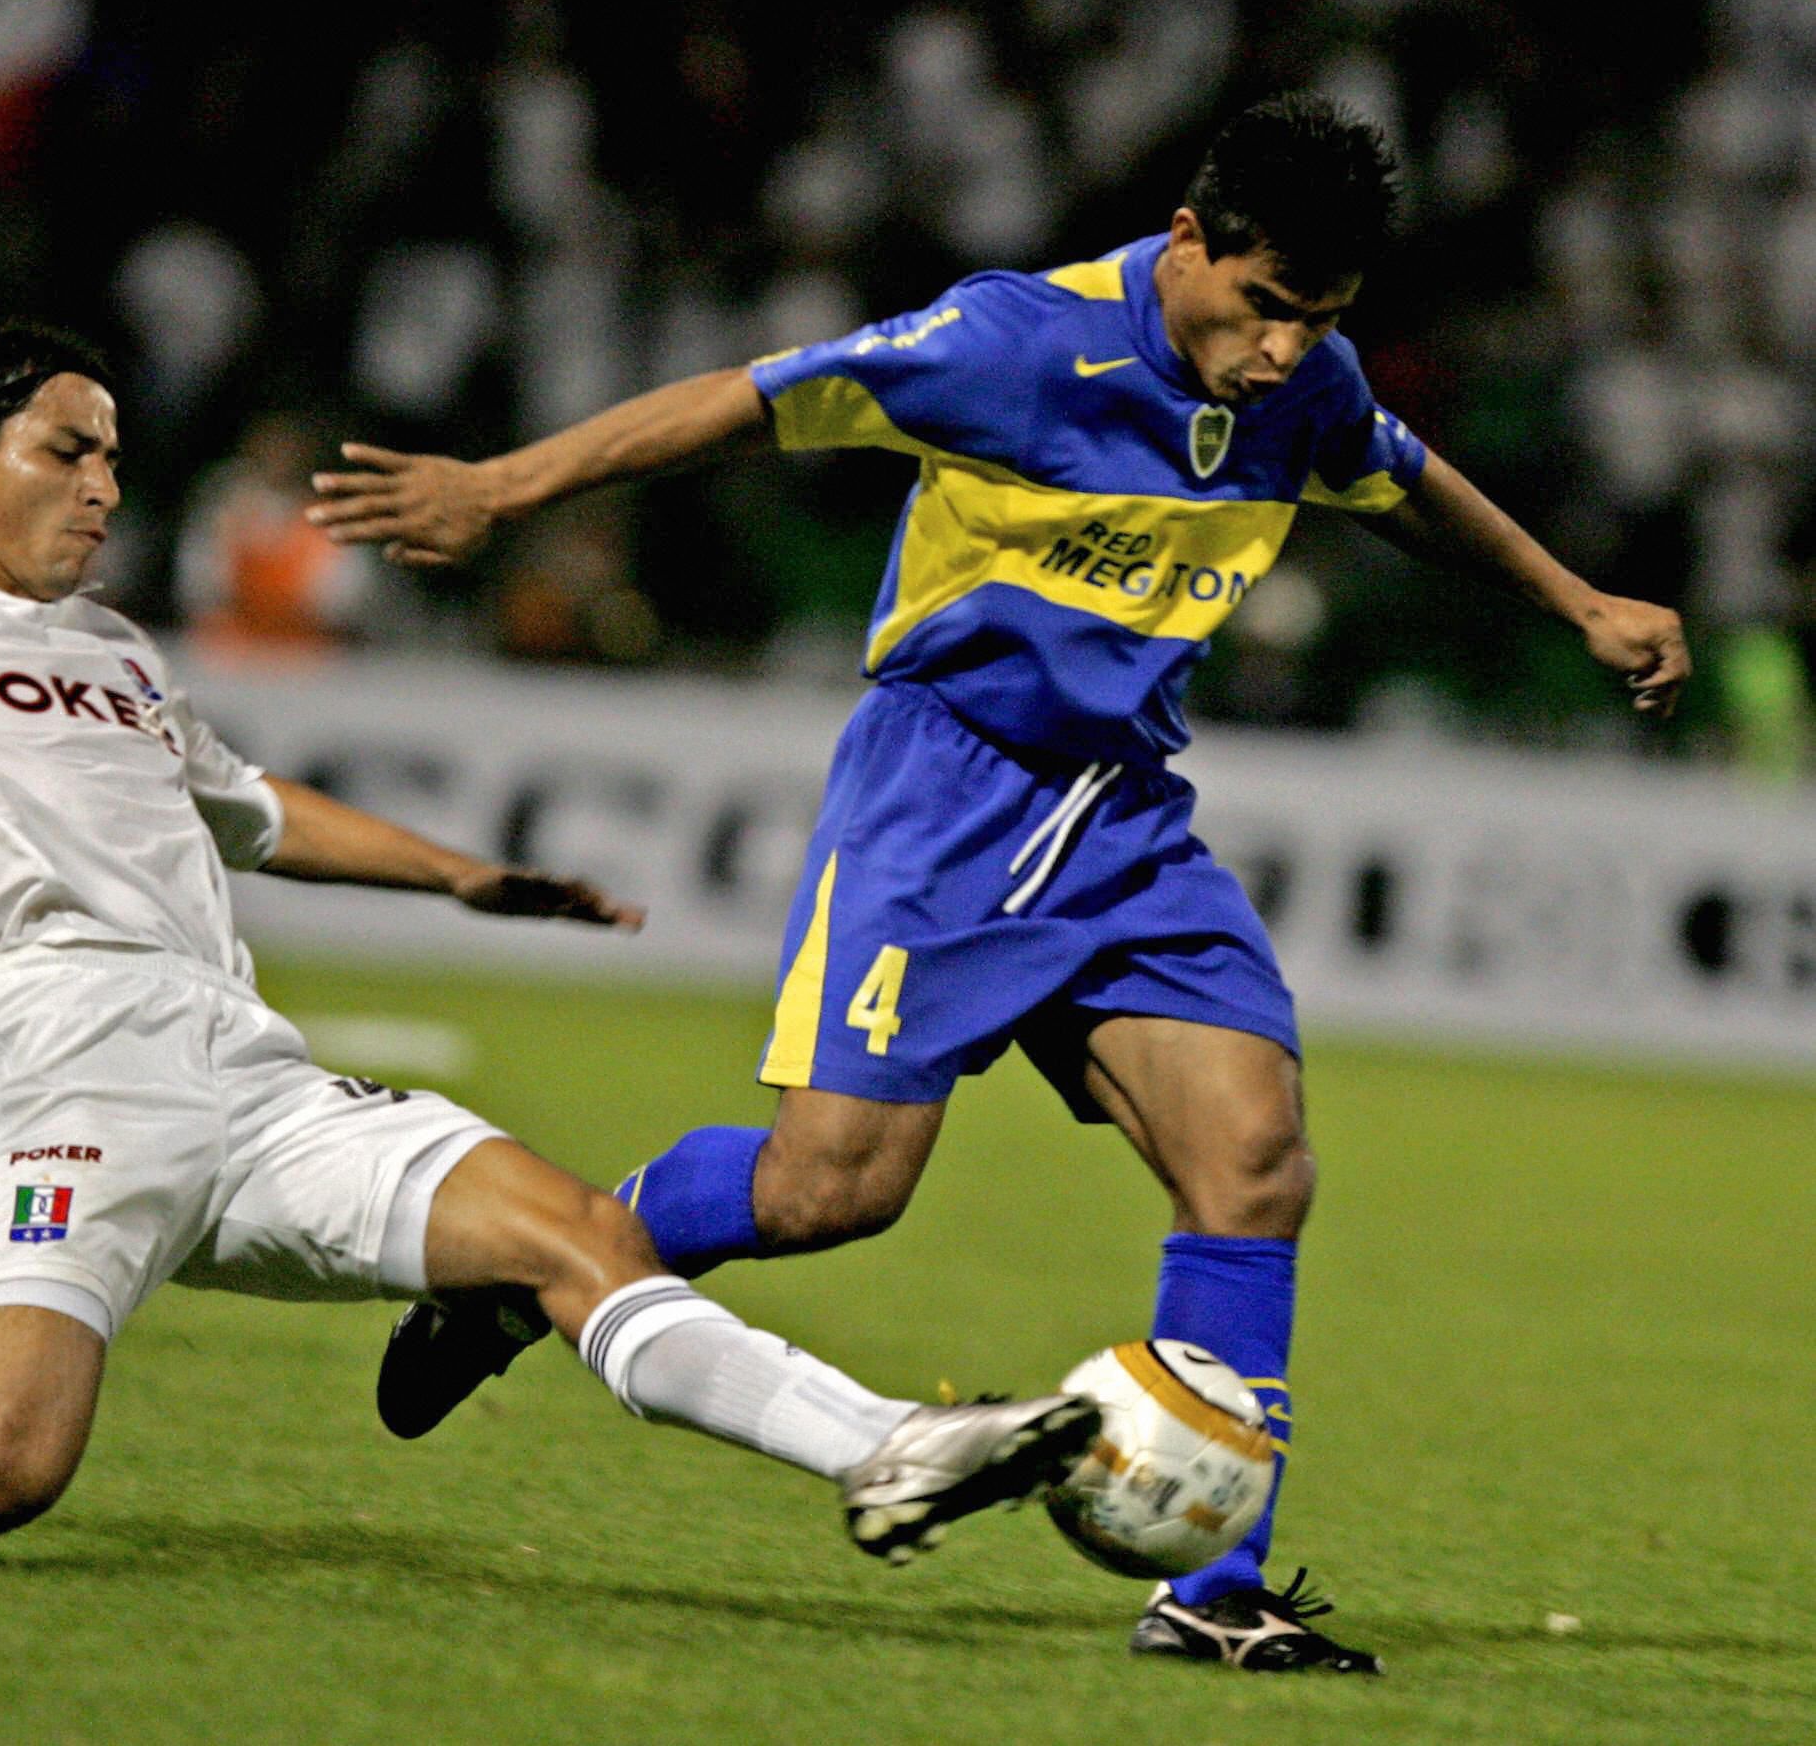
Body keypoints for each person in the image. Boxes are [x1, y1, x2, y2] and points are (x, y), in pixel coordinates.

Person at [311, 95, 1690, 1675]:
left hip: (1123, 820)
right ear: (1188, 244)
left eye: (1322, 322)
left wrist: (1578, 601)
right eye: (1265, 310)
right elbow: (755, 398)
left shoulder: (1308, 379)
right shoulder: (1016, 345)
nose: (1288, 354)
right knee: (830, 1192)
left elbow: (1400, 477)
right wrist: (503, 491)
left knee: (1255, 1166)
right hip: (944, 802)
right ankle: (541, 1259)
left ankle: (1212, 1584)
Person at [0, 322, 1105, 1563]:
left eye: (116, 457)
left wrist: (462, 879)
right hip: (62, 1073)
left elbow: (252, 810)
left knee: (577, 1233)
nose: (107, 488)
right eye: (70, 452)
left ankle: (889, 1446)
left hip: (247, 1069)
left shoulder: (113, 653)